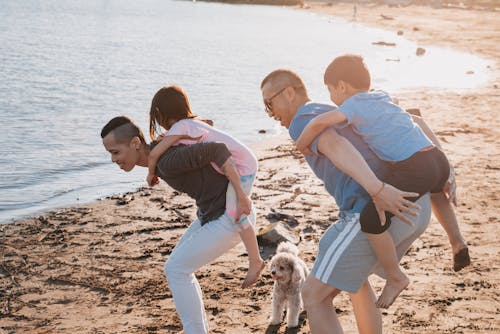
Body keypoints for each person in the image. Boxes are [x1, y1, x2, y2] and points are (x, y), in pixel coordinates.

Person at [261, 68, 432, 333]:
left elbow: (335, 145)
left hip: (375, 208)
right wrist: (445, 173)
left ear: (289, 93)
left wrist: (377, 190)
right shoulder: (325, 108)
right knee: (355, 280)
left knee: (314, 294)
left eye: (269, 103)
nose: (270, 113)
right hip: (413, 205)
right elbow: (411, 120)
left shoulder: (301, 118)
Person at [294, 54, 469, 308]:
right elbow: (415, 119)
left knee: (371, 218)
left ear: (342, 86)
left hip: (414, 166)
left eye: (330, 90)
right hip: (435, 158)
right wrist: (447, 169)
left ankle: (395, 276)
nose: (331, 97)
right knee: (436, 192)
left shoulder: (353, 106)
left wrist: (302, 144)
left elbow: (320, 121)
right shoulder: (382, 96)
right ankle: (456, 240)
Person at [101, 116, 255, 334]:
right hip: (212, 214)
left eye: (115, 152)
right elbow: (190, 133)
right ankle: (196, 329)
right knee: (177, 268)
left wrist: (241, 195)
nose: (113, 159)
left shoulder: (166, 161)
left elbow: (216, 150)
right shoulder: (161, 153)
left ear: (136, 143)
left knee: (176, 269)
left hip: (231, 216)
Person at [146, 85, 265, 288]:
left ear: (164, 116)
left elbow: (155, 153)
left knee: (236, 211)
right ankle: (255, 259)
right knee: (236, 209)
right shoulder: (189, 124)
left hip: (242, 166)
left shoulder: (180, 128)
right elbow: (206, 125)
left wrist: (150, 173)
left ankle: (255, 260)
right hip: (243, 160)